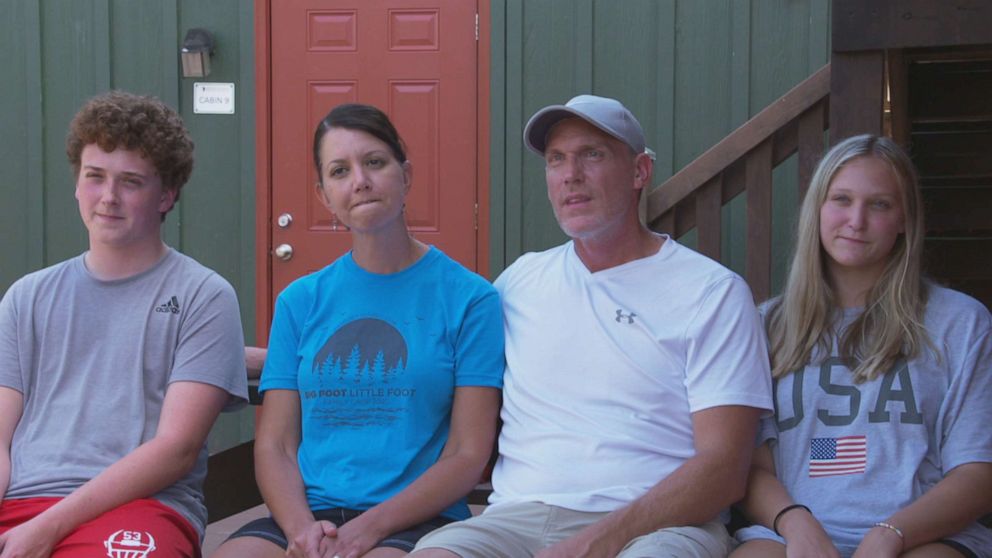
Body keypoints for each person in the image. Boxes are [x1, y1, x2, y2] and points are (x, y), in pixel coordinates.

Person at [411, 94, 774, 558]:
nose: (570, 175)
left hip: (659, 525)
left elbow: (724, 468)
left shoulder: (711, 292)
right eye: (556, 160)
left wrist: (600, 541)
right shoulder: (519, 283)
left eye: (592, 155)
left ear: (640, 172)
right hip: (516, 519)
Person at [212, 103, 503, 558]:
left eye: (374, 162)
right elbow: (277, 446)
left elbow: (467, 453)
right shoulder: (300, 301)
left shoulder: (470, 299)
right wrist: (300, 531)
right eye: (339, 171)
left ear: (405, 175)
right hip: (309, 513)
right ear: (324, 196)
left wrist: (368, 530)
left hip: (417, 519)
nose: (360, 181)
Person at [0, 90, 248, 557]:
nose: (108, 197)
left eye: (131, 182)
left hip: (143, 507)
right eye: (95, 177)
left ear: (167, 196)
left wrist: (47, 528)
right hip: (22, 499)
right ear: (77, 184)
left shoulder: (204, 296)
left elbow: (176, 449)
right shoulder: (27, 297)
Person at [732, 135, 992, 558]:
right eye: (841, 199)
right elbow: (750, 466)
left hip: (922, 538)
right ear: (816, 209)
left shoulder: (960, 323)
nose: (856, 220)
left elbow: (978, 472)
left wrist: (890, 534)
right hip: (791, 536)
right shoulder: (764, 326)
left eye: (879, 205)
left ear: (905, 219)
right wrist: (797, 527)